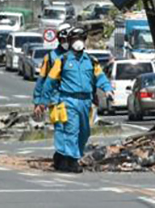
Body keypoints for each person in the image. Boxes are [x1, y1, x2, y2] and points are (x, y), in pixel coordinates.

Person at [43, 27, 113, 173]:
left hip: (86, 102)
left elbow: (100, 77)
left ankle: (69, 156)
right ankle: (72, 160)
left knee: (85, 132)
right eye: (75, 39)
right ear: (70, 42)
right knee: (71, 130)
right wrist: (43, 101)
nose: (78, 42)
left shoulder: (91, 61)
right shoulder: (62, 60)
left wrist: (107, 89)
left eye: (81, 39)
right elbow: (49, 81)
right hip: (68, 100)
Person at [33, 23, 70, 169]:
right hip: (56, 100)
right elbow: (42, 80)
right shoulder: (51, 57)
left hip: (74, 99)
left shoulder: (79, 56)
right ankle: (61, 156)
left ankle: (72, 155)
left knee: (76, 129)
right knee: (60, 128)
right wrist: (38, 101)